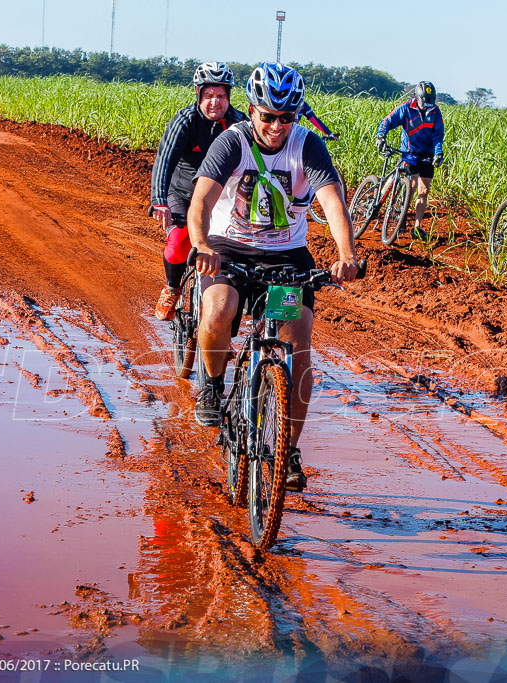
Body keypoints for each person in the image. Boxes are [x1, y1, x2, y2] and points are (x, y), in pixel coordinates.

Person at [188, 62, 359, 491]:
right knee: (219, 312)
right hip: (227, 250)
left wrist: (345, 253)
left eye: (287, 118)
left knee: (298, 345)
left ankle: (289, 451)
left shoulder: (308, 146)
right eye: (268, 116)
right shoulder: (232, 143)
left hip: (285, 258)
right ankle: (212, 385)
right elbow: (201, 202)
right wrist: (202, 245)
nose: (277, 126)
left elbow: (332, 202)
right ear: (252, 110)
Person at [150, 62, 246, 321]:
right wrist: (159, 201)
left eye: (221, 96)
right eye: (209, 96)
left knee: (234, 249)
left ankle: (223, 323)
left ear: (228, 97)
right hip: (182, 193)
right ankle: (172, 287)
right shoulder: (185, 121)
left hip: (221, 199)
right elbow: (164, 160)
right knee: (180, 240)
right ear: (198, 94)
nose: (215, 102)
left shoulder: (239, 124)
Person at [375, 81, 445, 241]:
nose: (426, 106)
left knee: (424, 191)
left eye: (429, 103)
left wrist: (438, 153)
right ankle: (401, 218)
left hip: (427, 154)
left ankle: (417, 227)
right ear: (417, 97)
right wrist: (381, 136)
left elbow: (438, 135)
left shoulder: (435, 112)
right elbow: (387, 121)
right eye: (424, 102)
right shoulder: (406, 108)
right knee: (411, 185)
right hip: (409, 152)